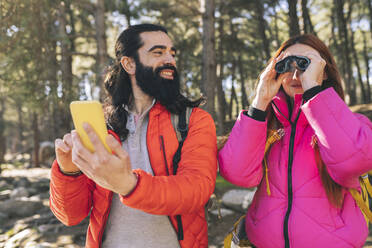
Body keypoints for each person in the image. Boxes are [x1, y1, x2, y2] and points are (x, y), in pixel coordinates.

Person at [49, 24, 217, 248]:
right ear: (128, 63)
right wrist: (68, 172)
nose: (170, 60)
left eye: (171, 53)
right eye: (158, 52)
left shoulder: (194, 120)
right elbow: (71, 216)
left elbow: (196, 190)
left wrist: (129, 185)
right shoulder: (102, 124)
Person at [218, 34, 372, 248]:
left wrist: (315, 92)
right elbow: (237, 173)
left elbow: (353, 161)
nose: (296, 73)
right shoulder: (266, 126)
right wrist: (260, 101)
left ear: (324, 70)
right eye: (286, 65)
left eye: (305, 63)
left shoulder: (351, 124)